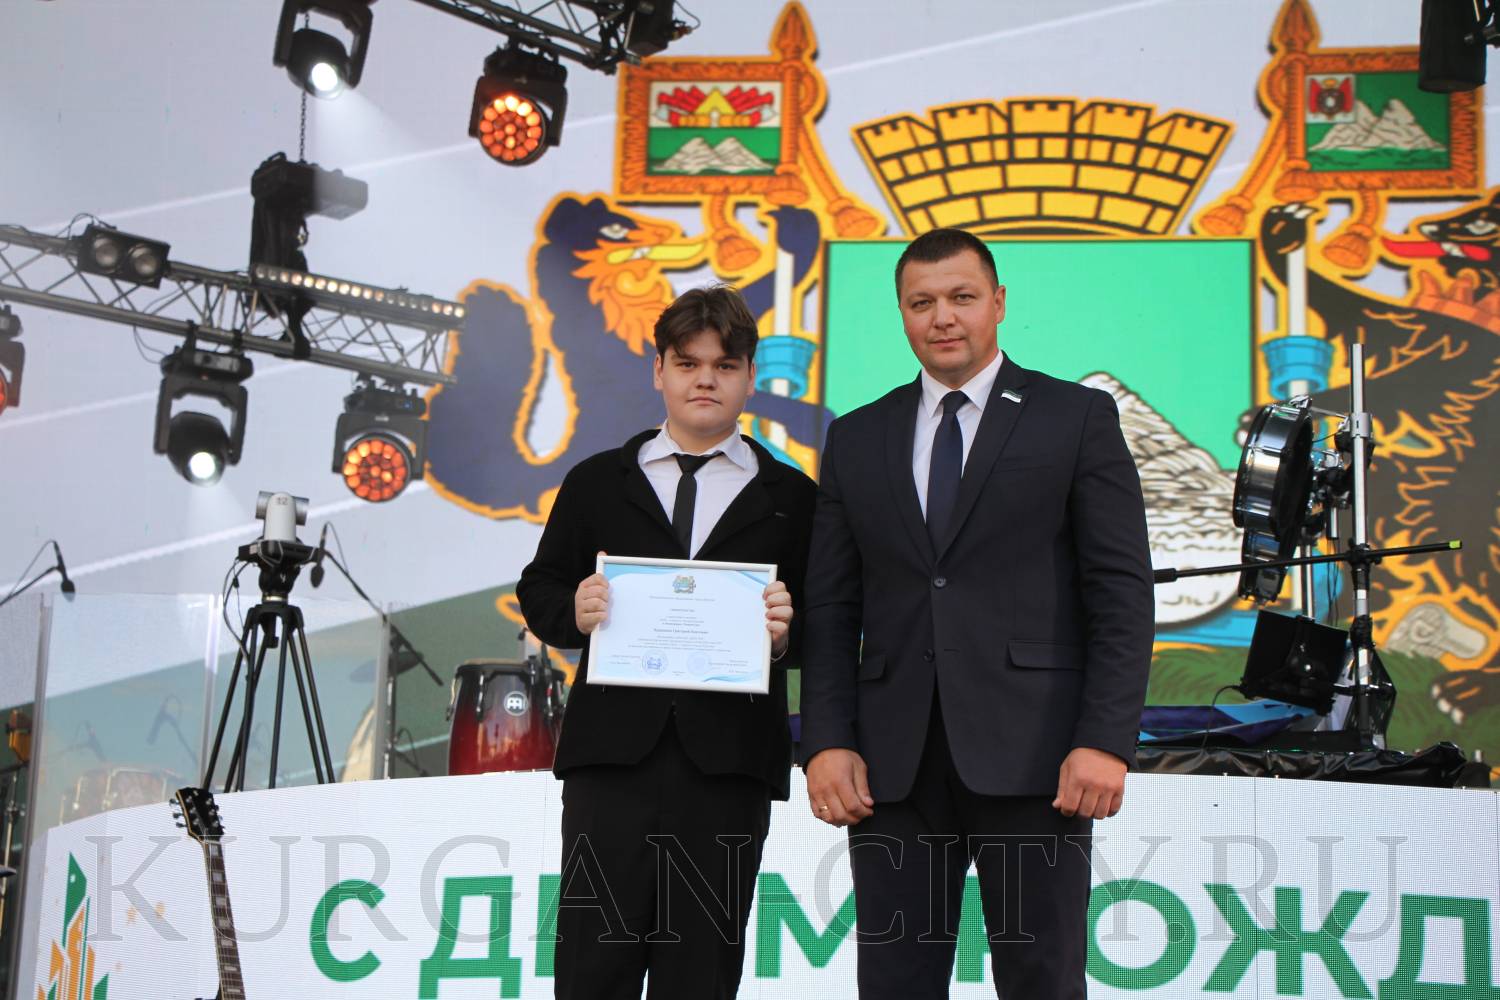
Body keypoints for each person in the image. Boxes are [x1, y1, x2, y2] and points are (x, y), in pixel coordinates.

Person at [799, 228, 1154, 998]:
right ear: (901, 313)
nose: (943, 318)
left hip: (1039, 758)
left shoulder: (1076, 417)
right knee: (894, 983)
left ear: (998, 302)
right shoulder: (857, 437)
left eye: (961, 297)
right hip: (891, 769)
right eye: (921, 302)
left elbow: (1121, 592)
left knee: (1041, 979)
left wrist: (1105, 739)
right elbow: (829, 607)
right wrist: (825, 739)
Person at [516, 284, 816, 1000]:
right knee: (592, 968)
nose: (705, 379)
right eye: (687, 363)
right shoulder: (597, 482)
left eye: (724, 365)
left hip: (729, 768)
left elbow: (828, 625)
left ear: (750, 376)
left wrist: (786, 633)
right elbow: (540, 587)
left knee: (701, 973)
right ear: (659, 371)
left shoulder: (794, 497)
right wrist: (574, 610)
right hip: (611, 762)